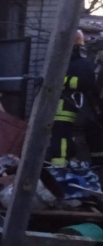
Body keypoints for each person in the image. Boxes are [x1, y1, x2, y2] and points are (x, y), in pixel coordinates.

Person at [48, 30, 99, 167]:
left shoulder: (82, 64)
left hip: (70, 104)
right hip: (62, 104)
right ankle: (68, 161)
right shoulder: (62, 63)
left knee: (61, 133)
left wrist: (60, 80)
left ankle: (61, 164)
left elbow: (86, 83)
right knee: (61, 133)